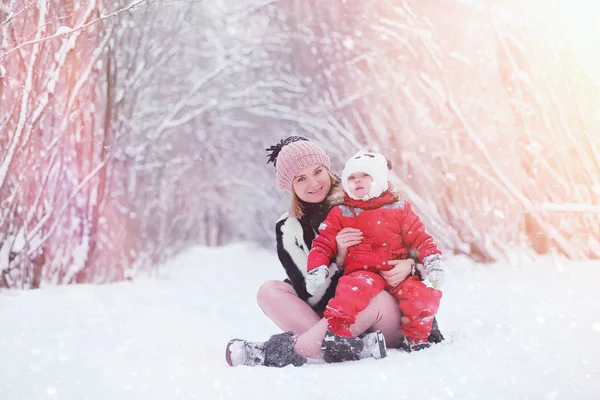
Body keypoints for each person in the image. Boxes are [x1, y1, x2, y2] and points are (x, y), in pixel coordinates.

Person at [225, 137, 443, 367]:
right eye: (301, 178)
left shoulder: (367, 195)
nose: (313, 183)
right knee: (269, 291)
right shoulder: (289, 228)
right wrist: (338, 259)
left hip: (383, 313)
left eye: (317, 171)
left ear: (327, 169)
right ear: (291, 186)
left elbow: (418, 241)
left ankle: (277, 354)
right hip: (337, 314)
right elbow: (310, 294)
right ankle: (349, 347)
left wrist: (410, 265)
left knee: (369, 293)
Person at [305, 150, 445, 351]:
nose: (357, 181)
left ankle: (416, 338)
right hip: (362, 272)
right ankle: (338, 334)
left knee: (421, 296)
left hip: (396, 272)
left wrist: (432, 262)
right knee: (350, 292)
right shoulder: (341, 212)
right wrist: (316, 268)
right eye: (352, 177)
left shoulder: (400, 209)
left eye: (365, 175)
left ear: (379, 179)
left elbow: (420, 239)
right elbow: (323, 243)